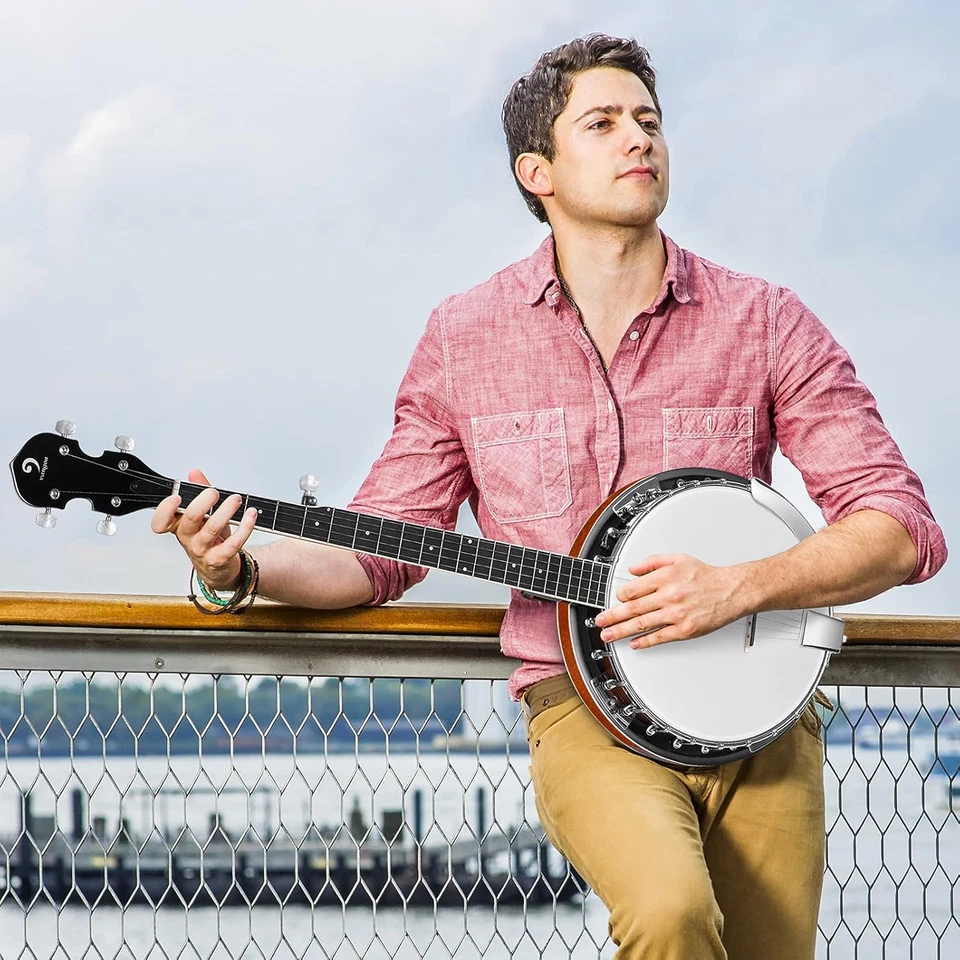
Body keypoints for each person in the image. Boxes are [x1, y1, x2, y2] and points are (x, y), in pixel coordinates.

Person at [152, 34, 946, 960]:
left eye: (648, 121)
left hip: (763, 717)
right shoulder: (465, 338)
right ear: (538, 172)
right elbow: (379, 548)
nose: (637, 140)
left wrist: (741, 586)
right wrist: (237, 568)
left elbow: (901, 528)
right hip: (581, 708)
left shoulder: (765, 319)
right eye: (602, 124)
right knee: (671, 912)